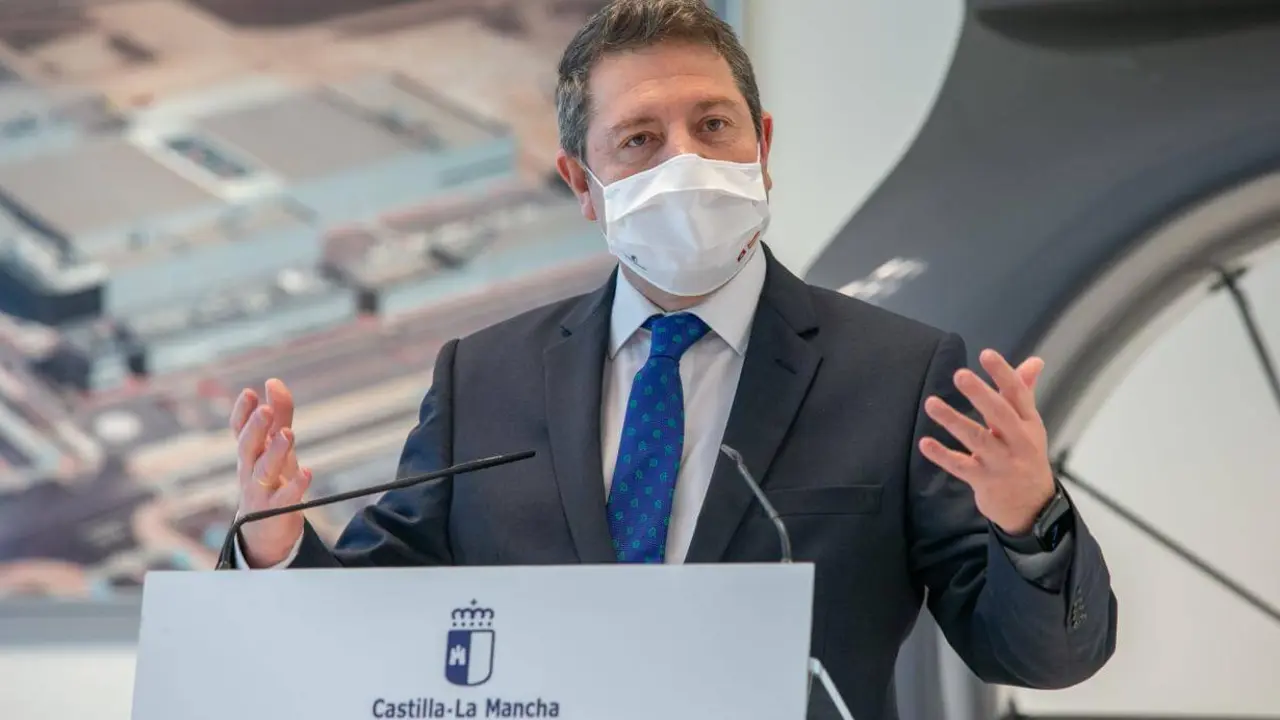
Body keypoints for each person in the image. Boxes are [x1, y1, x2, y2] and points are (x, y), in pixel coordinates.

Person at [229, 1, 1117, 717]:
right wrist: (274, 549)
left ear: (762, 148)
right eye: (641, 140)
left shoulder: (898, 374)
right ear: (583, 185)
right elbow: (368, 627)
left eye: (713, 124)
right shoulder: (484, 379)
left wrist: (1027, 521)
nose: (686, 161)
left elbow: (1039, 658)